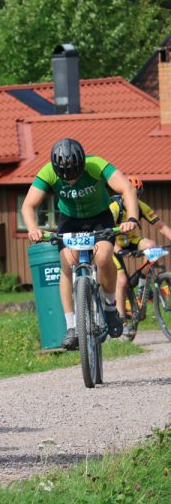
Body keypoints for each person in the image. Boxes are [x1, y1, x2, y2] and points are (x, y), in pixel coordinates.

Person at [20, 138, 139, 349]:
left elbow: (127, 188)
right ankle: (72, 326)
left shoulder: (96, 165)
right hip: (70, 220)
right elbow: (28, 205)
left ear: (82, 164)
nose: (71, 180)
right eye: (66, 176)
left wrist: (131, 218)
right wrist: (32, 228)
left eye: (75, 174)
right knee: (67, 265)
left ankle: (110, 307)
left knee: (103, 257)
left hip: (100, 218)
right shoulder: (47, 172)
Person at [109, 180, 171, 336]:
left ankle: (142, 286)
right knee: (122, 281)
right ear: (123, 194)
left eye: (137, 195)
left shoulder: (141, 206)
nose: (134, 198)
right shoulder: (114, 207)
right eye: (131, 194)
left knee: (152, 246)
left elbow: (162, 227)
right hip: (113, 244)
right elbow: (107, 232)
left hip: (130, 240)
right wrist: (118, 250)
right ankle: (122, 321)